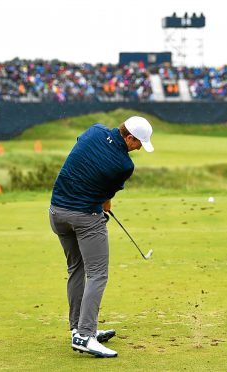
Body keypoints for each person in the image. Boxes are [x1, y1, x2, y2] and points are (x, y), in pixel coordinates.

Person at [48, 116, 154, 358]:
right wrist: (104, 203)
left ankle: (78, 328)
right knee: (97, 274)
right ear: (129, 137)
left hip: (56, 212)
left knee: (76, 269)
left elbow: (83, 152)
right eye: (139, 143)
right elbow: (106, 200)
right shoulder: (124, 165)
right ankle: (85, 335)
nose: (139, 148)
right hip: (85, 217)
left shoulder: (94, 130)